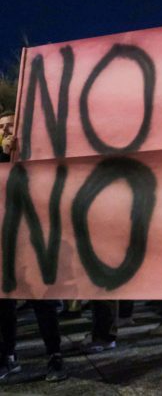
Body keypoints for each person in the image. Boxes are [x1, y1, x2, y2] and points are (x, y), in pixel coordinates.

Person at [0, 111, 67, 383]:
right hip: (4, 243)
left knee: (42, 299)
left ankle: (55, 356)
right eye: (1, 127)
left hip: (31, 240)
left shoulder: (36, 156)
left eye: (11, 126)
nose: (6, 132)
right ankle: (7, 356)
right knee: (4, 302)